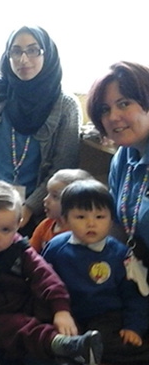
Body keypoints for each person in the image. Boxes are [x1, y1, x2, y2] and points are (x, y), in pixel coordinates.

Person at [0, 180, 103, 364]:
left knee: (47, 308)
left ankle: (74, 347)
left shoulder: (20, 249)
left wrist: (61, 310)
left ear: (19, 223)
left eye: (6, 229)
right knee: (15, 326)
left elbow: (45, 276)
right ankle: (61, 345)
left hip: (21, 307)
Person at [0, 26, 81, 237]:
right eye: (16, 51)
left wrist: (30, 207)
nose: (24, 59)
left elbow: (63, 168)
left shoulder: (66, 105)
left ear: (47, 54)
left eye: (33, 50)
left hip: (34, 216)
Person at [42, 179, 149, 363]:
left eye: (100, 217)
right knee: (47, 338)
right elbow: (41, 280)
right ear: (65, 219)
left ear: (111, 219)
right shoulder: (55, 248)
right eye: (81, 217)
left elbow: (134, 295)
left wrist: (134, 327)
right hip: (67, 311)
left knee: (109, 342)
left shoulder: (120, 254)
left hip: (106, 317)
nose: (91, 224)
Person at [86, 61, 149, 278]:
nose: (113, 117)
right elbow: (117, 226)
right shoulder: (123, 156)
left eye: (124, 104)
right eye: (105, 109)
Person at [29, 168, 94, 253]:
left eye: (55, 196)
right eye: (48, 194)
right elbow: (29, 254)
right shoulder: (46, 225)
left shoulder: (81, 234)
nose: (46, 199)